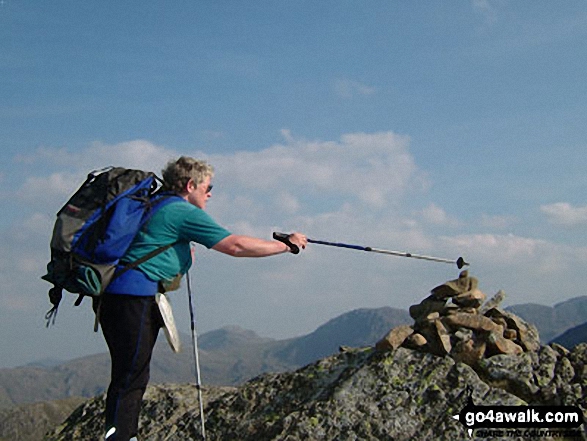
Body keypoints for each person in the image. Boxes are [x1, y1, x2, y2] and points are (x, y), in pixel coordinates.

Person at [100, 156, 307, 441]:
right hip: (134, 298)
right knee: (131, 376)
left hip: (118, 299)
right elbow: (236, 246)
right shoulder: (181, 212)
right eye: (208, 187)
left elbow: (151, 243)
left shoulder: (157, 204)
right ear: (190, 185)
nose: (210, 194)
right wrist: (287, 246)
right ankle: (121, 438)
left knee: (130, 373)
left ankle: (123, 435)